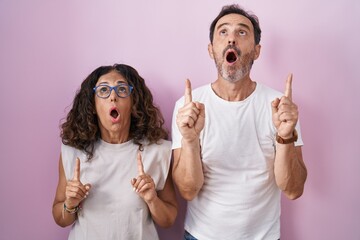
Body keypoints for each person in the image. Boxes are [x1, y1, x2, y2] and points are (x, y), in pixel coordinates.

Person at [171, 4, 307, 240]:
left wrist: (285, 136)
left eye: (242, 32)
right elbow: (187, 190)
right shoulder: (188, 107)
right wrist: (190, 140)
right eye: (223, 32)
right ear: (211, 49)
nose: (231, 39)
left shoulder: (280, 108)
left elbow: (293, 189)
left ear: (256, 51)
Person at [52, 63, 178, 240]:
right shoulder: (73, 151)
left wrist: (152, 200)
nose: (113, 96)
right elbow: (60, 218)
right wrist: (70, 204)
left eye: (121, 89)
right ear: (93, 105)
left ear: (133, 102)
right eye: (103, 90)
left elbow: (169, 219)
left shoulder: (158, 151)